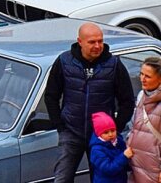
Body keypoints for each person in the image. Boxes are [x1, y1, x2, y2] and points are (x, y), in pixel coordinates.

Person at [44, 22, 135, 183]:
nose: (98, 46)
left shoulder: (114, 65)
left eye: (100, 41)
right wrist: (59, 125)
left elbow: (127, 101)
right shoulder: (64, 61)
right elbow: (51, 95)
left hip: (102, 136)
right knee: (62, 178)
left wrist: (114, 128)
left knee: (103, 178)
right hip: (71, 132)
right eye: (92, 42)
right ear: (80, 42)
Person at [127, 57, 161, 183]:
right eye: (141, 74)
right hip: (137, 162)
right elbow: (135, 126)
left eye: (148, 76)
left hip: (154, 166)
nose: (142, 79)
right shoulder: (142, 95)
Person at [88, 112, 132, 183]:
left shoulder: (119, 141)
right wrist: (124, 156)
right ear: (99, 134)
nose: (110, 134)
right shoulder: (96, 150)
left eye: (112, 130)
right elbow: (108, 169)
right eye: (106, 132)